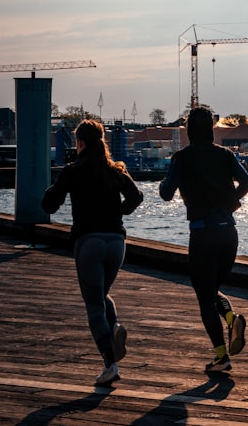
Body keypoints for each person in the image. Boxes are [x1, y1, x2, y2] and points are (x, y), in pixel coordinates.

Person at [41, 119, 143, 386]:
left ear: (81, 143)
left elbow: (50, 205)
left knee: (94, 304)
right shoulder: (116, 170)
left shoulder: (72, 170)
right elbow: (136, 197)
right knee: (101, 295)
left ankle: (110, 364)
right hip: (116, 242)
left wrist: (53, 187)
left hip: (90, 242)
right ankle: (115, 327)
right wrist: (116, 213)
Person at [159, 107, 248, 373]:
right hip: (228, 233)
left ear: (189, 132)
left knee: (204, 296)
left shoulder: (182, 158)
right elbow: (247, 180)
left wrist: (164, 184)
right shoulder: (225, 155)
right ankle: (231, 319)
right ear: (211, 130)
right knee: (211, 290)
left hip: (202, 234)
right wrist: (231, 202)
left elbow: (166, 193)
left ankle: (222, 356)